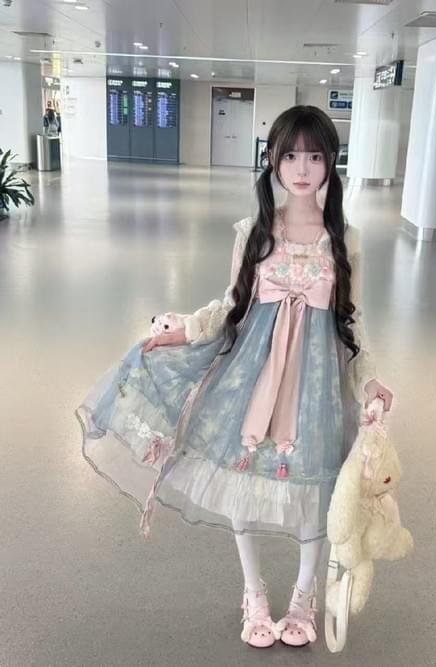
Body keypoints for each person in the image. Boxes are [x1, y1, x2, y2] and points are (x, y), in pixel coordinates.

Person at [75, 105, 393, 649]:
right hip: (252, 374)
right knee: (244, 486)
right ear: (272, 160)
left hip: (315, 388)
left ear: (331, 164)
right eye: (290, 156)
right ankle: (254, 594)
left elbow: (352, 321)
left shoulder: (345, 237)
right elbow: (231, 305)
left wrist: (370, 382)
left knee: (315, 491)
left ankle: (303, 598)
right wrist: (184, 331)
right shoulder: (254, 232)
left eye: (315, 157)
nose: (301, 169)